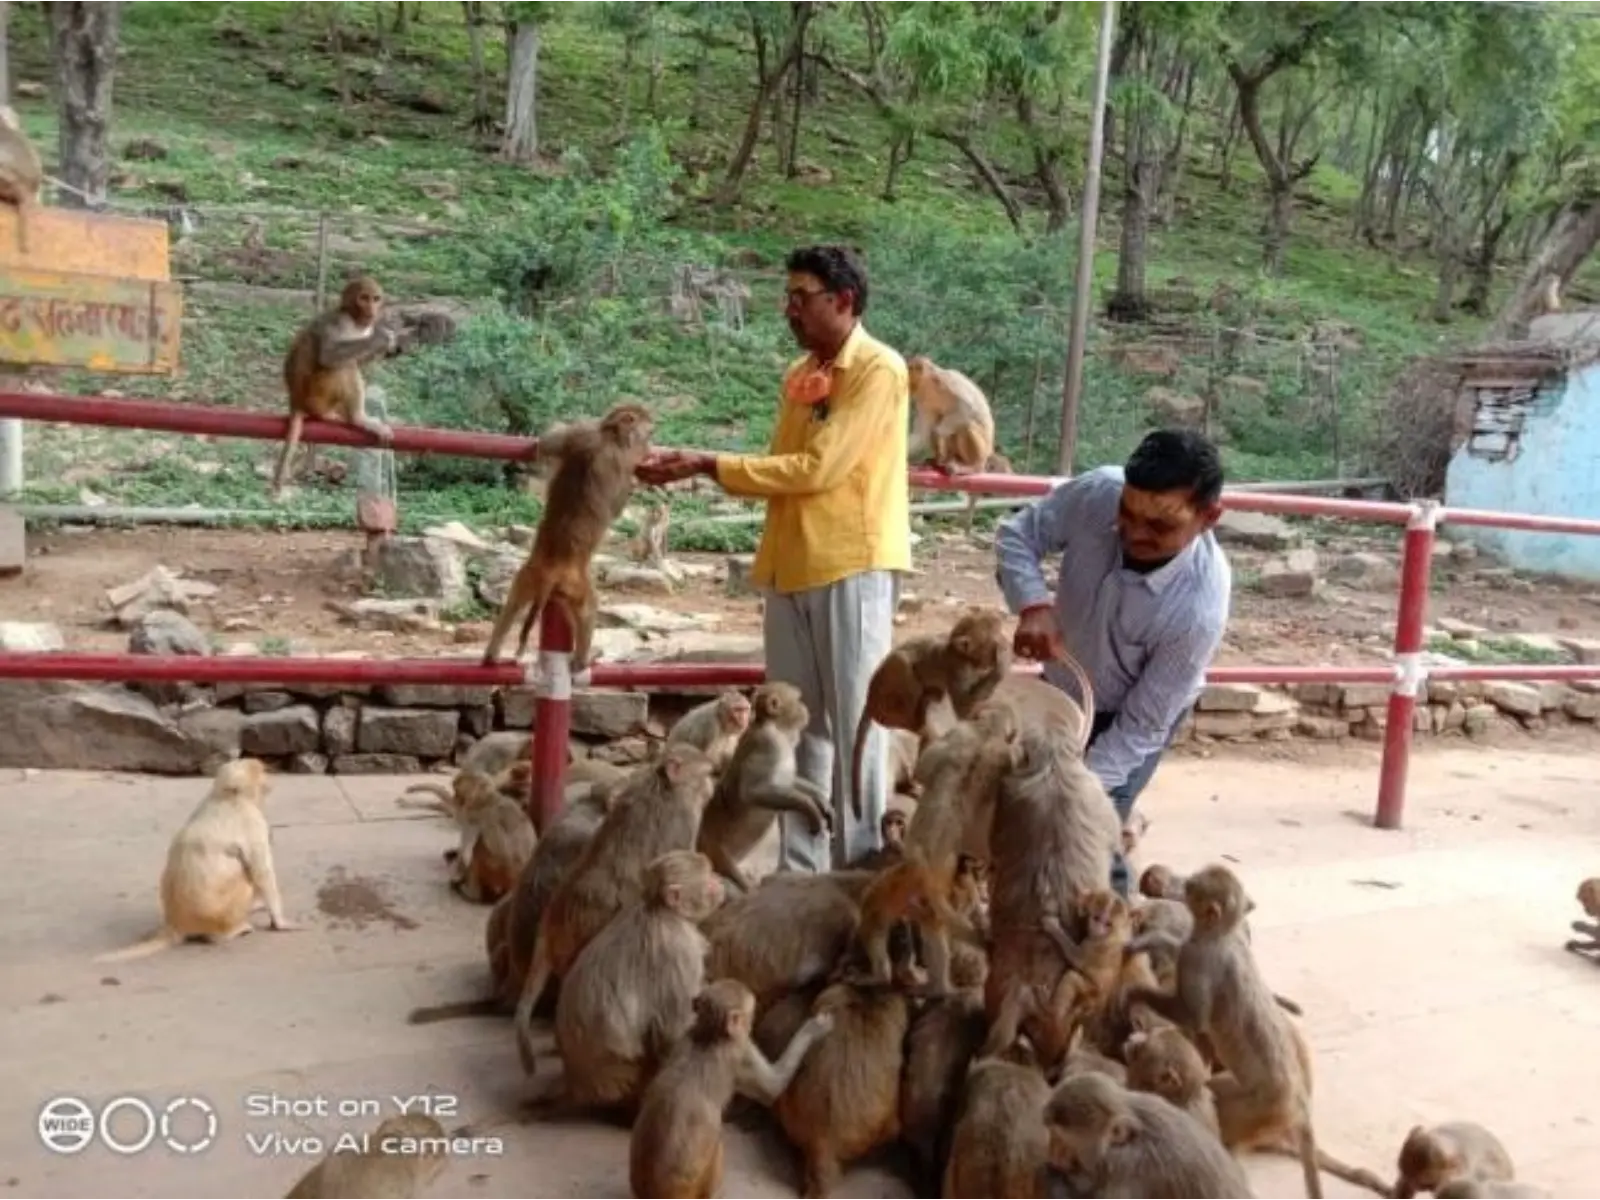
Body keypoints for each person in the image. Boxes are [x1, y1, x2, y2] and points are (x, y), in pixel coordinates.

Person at [636, 244, 911, 870]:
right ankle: (801, 873)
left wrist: (708, 464)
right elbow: (785, 466)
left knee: (857, 726)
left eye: (801, 297)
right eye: (787, 297)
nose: (788, 309)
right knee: (795, 723)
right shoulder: (803, 374)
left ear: (842, 302)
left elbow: (821, 467)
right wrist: (705, 465)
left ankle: (859, 867)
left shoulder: (878, 369)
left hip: (852, 561)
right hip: (791, 562)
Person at [993, 429, 1231, 895]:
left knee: (1090, 830)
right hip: (1062, 696)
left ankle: (1114, 943)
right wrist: (1033, 605)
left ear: (1209, 517)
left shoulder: (1199, 606)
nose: (1135, 533)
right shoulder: (1097, 492)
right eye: (1127, 513)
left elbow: (1142, 727)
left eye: (1160, 526)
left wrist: (1078, 785)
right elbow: (1016, 536)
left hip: (1130, 718)